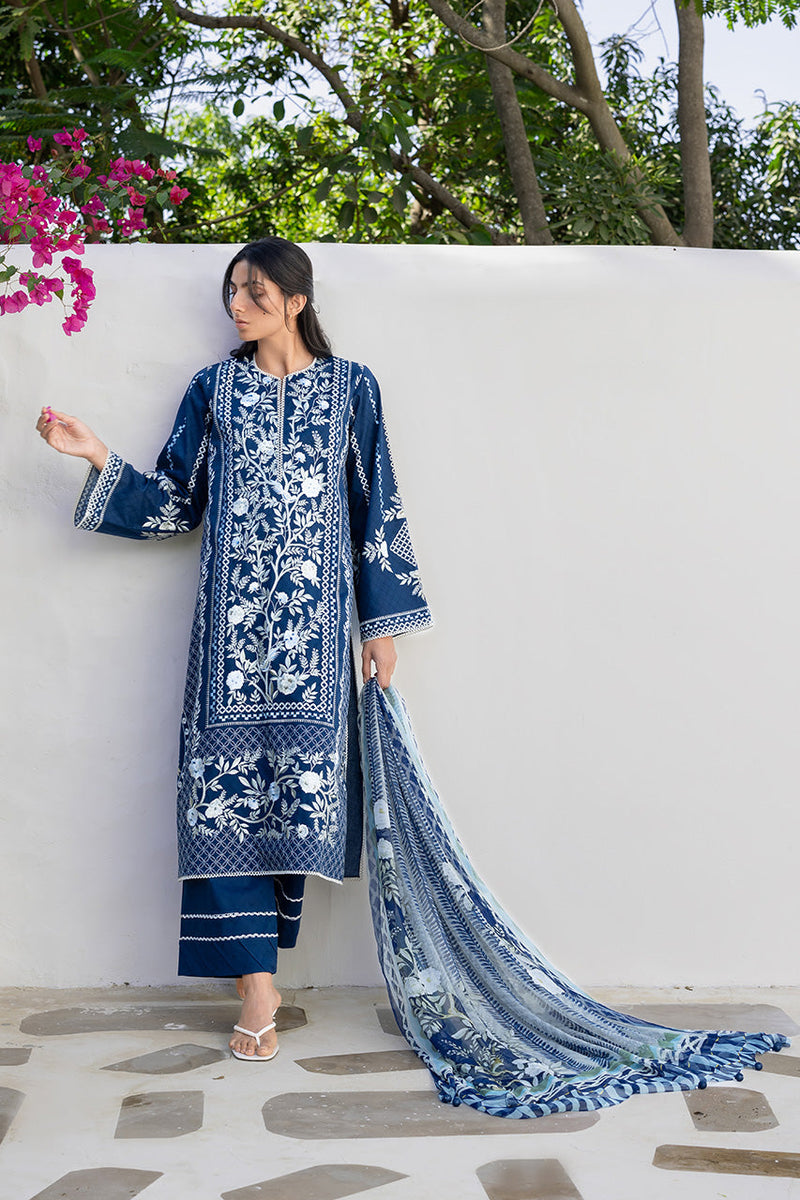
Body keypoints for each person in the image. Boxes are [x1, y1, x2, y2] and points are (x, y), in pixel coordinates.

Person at [36, 236, 433, 1062]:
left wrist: (382, 627)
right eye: (233, 291)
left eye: (256, 292)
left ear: (297, 300)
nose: (239, 305)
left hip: (313, 644)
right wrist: (97, 454)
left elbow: (378, 507)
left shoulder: (353, 388)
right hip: (227, 645)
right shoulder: (212, 389)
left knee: (295, 801)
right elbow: (176, 500)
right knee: (220, 804)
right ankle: (256, 986)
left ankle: (265, 963)